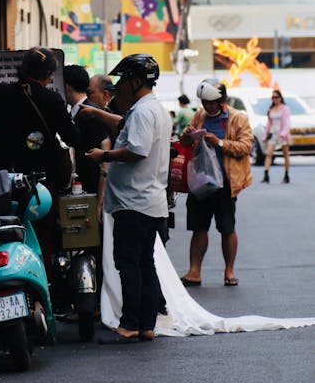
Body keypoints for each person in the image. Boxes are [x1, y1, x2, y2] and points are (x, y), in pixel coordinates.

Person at [86, 54, 172, 344]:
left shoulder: (143, 113)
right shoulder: (153, 110)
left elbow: (137, 149)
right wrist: (97, 113)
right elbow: (125, 124)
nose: (119, 86)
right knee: (145, 263)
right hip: (149, 202)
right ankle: (147, 324)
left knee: (129, 263)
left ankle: (130, 323)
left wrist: (104, 155)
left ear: (136, 81)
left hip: (134, 201)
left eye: (123, 80)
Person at [0, 48, 79, 279]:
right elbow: (72, 137)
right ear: (48, 75)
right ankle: (40, 284)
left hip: (3, 180)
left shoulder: (0, 93)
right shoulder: (52, 100)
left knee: (5, 234)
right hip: (41, 183)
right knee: (41, 236)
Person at [180, 78, 253, 288]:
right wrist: (186, 137)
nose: (208, 106)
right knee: (198, 227)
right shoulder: (199, 116)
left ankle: (229, 271)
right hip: (201, 182)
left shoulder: (238, 118)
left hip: (226, 183)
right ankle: (194, 272)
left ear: (222, 100)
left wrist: (219, 142)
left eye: (212, 102)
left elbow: (245, 146)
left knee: (227, 228)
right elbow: (185, 144)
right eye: (205, 102)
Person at [63, 64, 110, 195]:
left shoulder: (91, 113)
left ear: (67, 87)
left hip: (91, 187)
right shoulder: (77, 111)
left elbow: (101, 153)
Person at [261, 89, 291, 184]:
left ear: (280, 98)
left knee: (285, 154)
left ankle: (286, 175)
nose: (274, 99)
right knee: (269, 153)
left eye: (276, 97)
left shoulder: (285, 108)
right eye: (273, 97)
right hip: (273, 133)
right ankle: (266, 175)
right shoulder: (271, 109)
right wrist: (265, 136)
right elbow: (269, 124)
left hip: (282, 134)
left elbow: (287, 123)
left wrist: (283, 133)